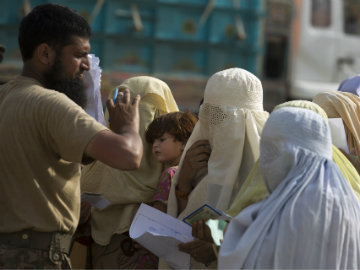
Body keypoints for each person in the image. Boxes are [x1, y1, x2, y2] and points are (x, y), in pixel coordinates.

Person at [0, 4, 143, 269]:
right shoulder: (50, 104)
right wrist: (129, 127)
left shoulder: (6, 95)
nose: (87, 66)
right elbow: (128, 155)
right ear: (45, 53)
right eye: (80, 55)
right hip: (36, 257)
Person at [218, 106, 360, 269]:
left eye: (270, 152)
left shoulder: (281, 215)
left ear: (290, 156)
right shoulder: (352, 206)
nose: (263, 162)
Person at [163, 67, 269, 269]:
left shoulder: (267, 171)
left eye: (219, 116)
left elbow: (265, 230)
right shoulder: (200, 159)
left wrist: (216, 246)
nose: (212, 124)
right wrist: (184, 181)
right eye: (208, 115)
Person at [80, 76, 178, 269]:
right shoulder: (97, 164)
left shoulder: (179, 174)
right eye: (131, 114)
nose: (139, 126)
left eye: (149, 113)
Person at [145, 111, 198, 212]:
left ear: (183, 142)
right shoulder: (199, 170)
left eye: (161, 139)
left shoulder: (169, 174)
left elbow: (158, 213)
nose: (155, 145)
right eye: (153, 141)